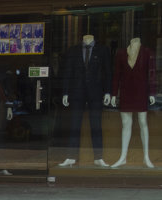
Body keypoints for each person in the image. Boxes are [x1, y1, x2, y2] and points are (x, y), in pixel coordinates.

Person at [57, 34, 111, 168]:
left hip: (96, 91)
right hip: (77, 91)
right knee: (75, 124)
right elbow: (68, 72)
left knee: (96, 125)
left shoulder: (103, 50)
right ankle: (71, 156)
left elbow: (108, 72)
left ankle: (98, 157)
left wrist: (108, 92)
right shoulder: (73, 50)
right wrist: (65, 92)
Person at [110, 37, 156, 169]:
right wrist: (114, 93)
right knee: (126, 124)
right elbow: (117, 74)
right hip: (125, 92)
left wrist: (152, 92)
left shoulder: (147, 52)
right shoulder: (121, 53)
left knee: (143, 122)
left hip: (141, 92)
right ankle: (122, 157)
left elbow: (151, 73)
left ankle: (146, 157)